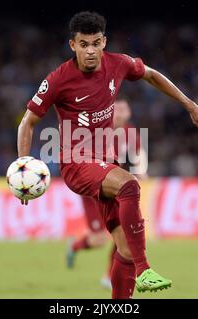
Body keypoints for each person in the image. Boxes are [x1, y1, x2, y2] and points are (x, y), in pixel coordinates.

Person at [17, 11, 198, 299]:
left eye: (96, 43)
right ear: (72, 45)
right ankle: (146, 269)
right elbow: (28, 122)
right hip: (75, 163)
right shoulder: (58, 79)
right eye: (84, 44)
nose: (91, 51)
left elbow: (151, 75)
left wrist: (190, 105)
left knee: (124, 249)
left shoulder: (118, 64)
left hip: (105, 162)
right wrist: (23, 165)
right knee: (129, 185)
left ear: (104, 41)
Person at [66, 98, 147, 291]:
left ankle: (108, 276)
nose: (119, 112)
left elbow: (138, 154)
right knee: (99, 240)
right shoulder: (99, 129)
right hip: (91, 188)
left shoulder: (130, 132)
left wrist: (141, 170)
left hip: (111, 185)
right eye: (116, 108)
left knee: (124, 232)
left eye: (123, 108)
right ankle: (74, 247)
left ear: (129, 113)